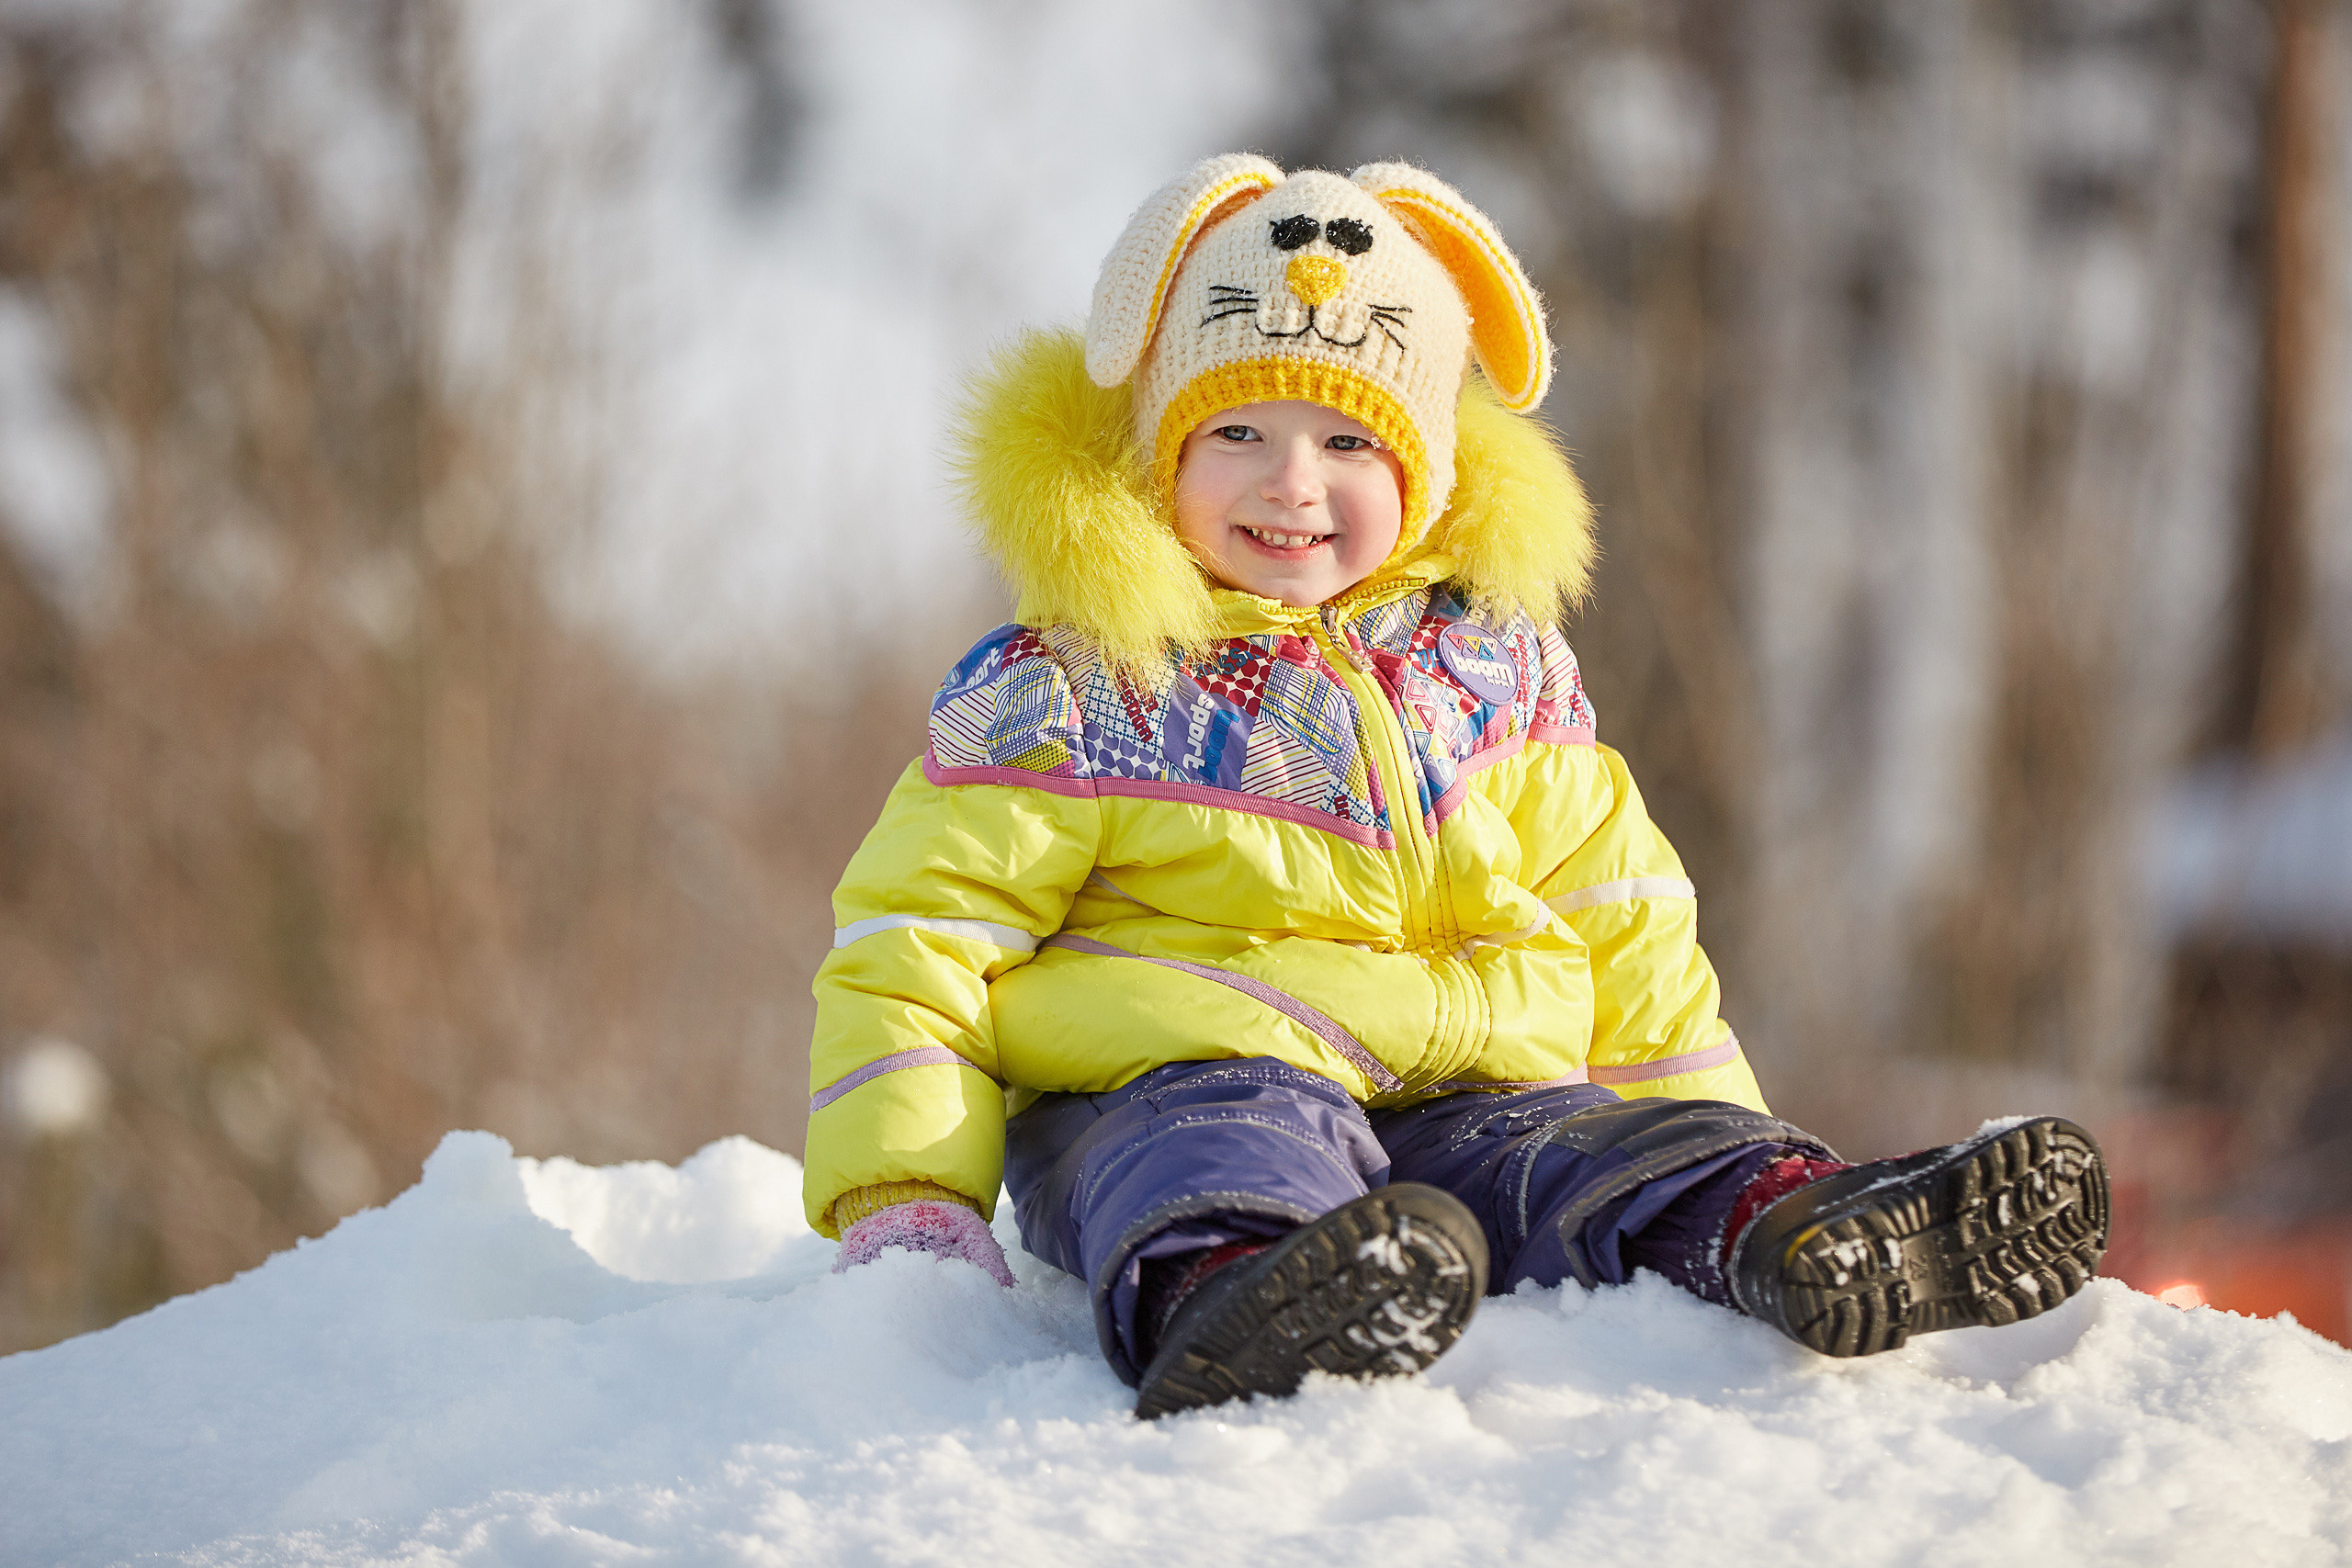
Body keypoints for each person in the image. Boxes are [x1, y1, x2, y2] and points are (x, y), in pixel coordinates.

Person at [803, 154, 2109, 1419]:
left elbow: (1622, 909)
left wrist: (1707, 1122)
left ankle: (1779, 1225)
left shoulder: (1494, 666)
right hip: (1176, 1080)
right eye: (1238, 431)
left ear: (1423, 473)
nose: (1292, 482)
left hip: (1470, 1099)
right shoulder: (1080, 681)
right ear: (1157, 453)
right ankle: (1240, 1292)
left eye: (1348, 443)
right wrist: (908, 1196)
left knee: (1589, 1157)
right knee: (1211, 1152)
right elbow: (922, 932)